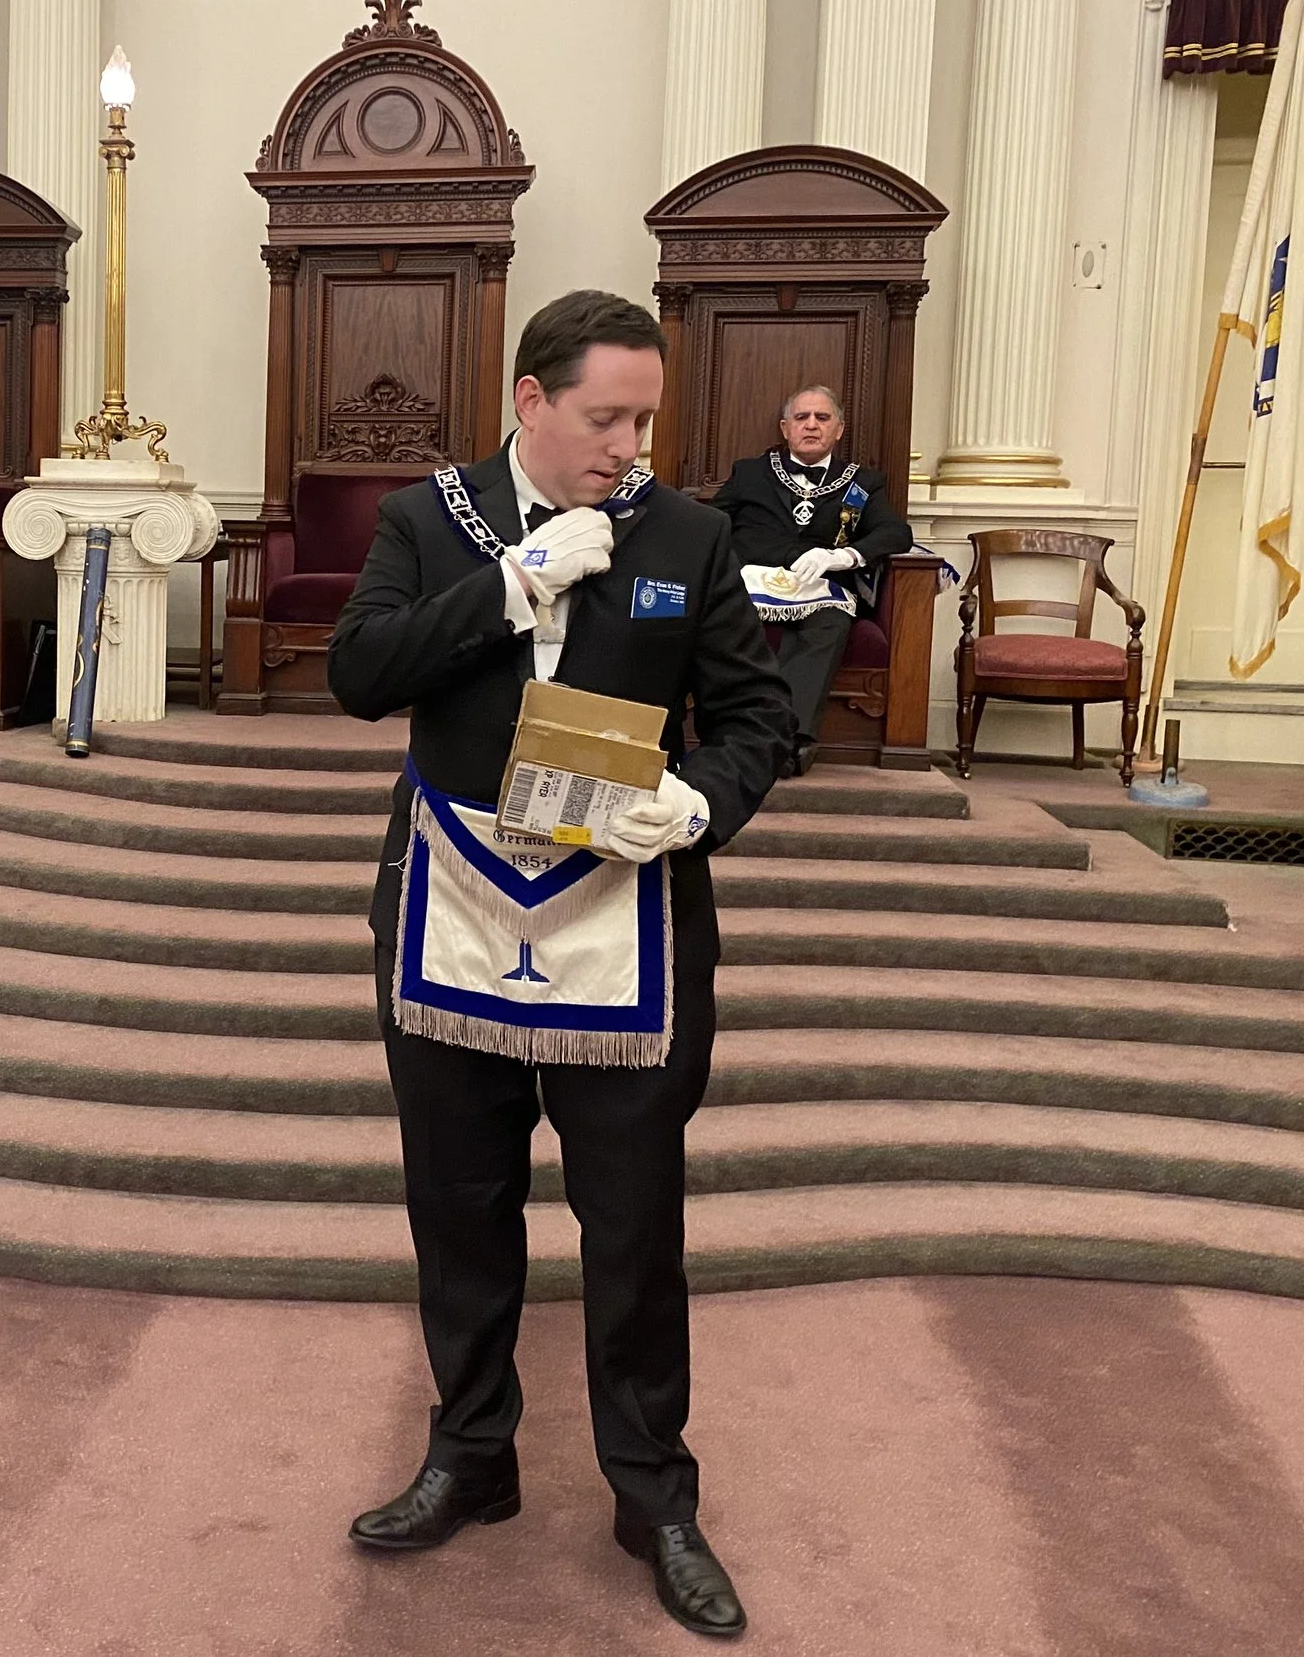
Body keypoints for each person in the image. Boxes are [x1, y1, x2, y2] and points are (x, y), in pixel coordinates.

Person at [330, 291, 791, 1640]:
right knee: (459, 1209)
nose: (627, 445)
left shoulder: (689, 535)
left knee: (634, 1227)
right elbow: (361, 674)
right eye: (604, 418)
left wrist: (698, 800)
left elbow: (758, 717)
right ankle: (472, 1456)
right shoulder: (427, 520)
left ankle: (654, 1497)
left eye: (643, 419)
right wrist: (511, 586)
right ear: (530, 399)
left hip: (622, 912)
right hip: (456, 906)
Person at [713, 385, 912, 773]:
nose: (811, 425)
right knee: (727, 618)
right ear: (785, 428)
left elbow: (895, 533)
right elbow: (714, 524)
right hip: (754, 586)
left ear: (839, 429)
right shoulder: (750, 473)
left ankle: (787, 739)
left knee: (831, 624)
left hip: (824, 591)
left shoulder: (863, 482)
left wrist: (841, 557)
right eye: (802, 417)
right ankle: (738, 735)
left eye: (822, 418)